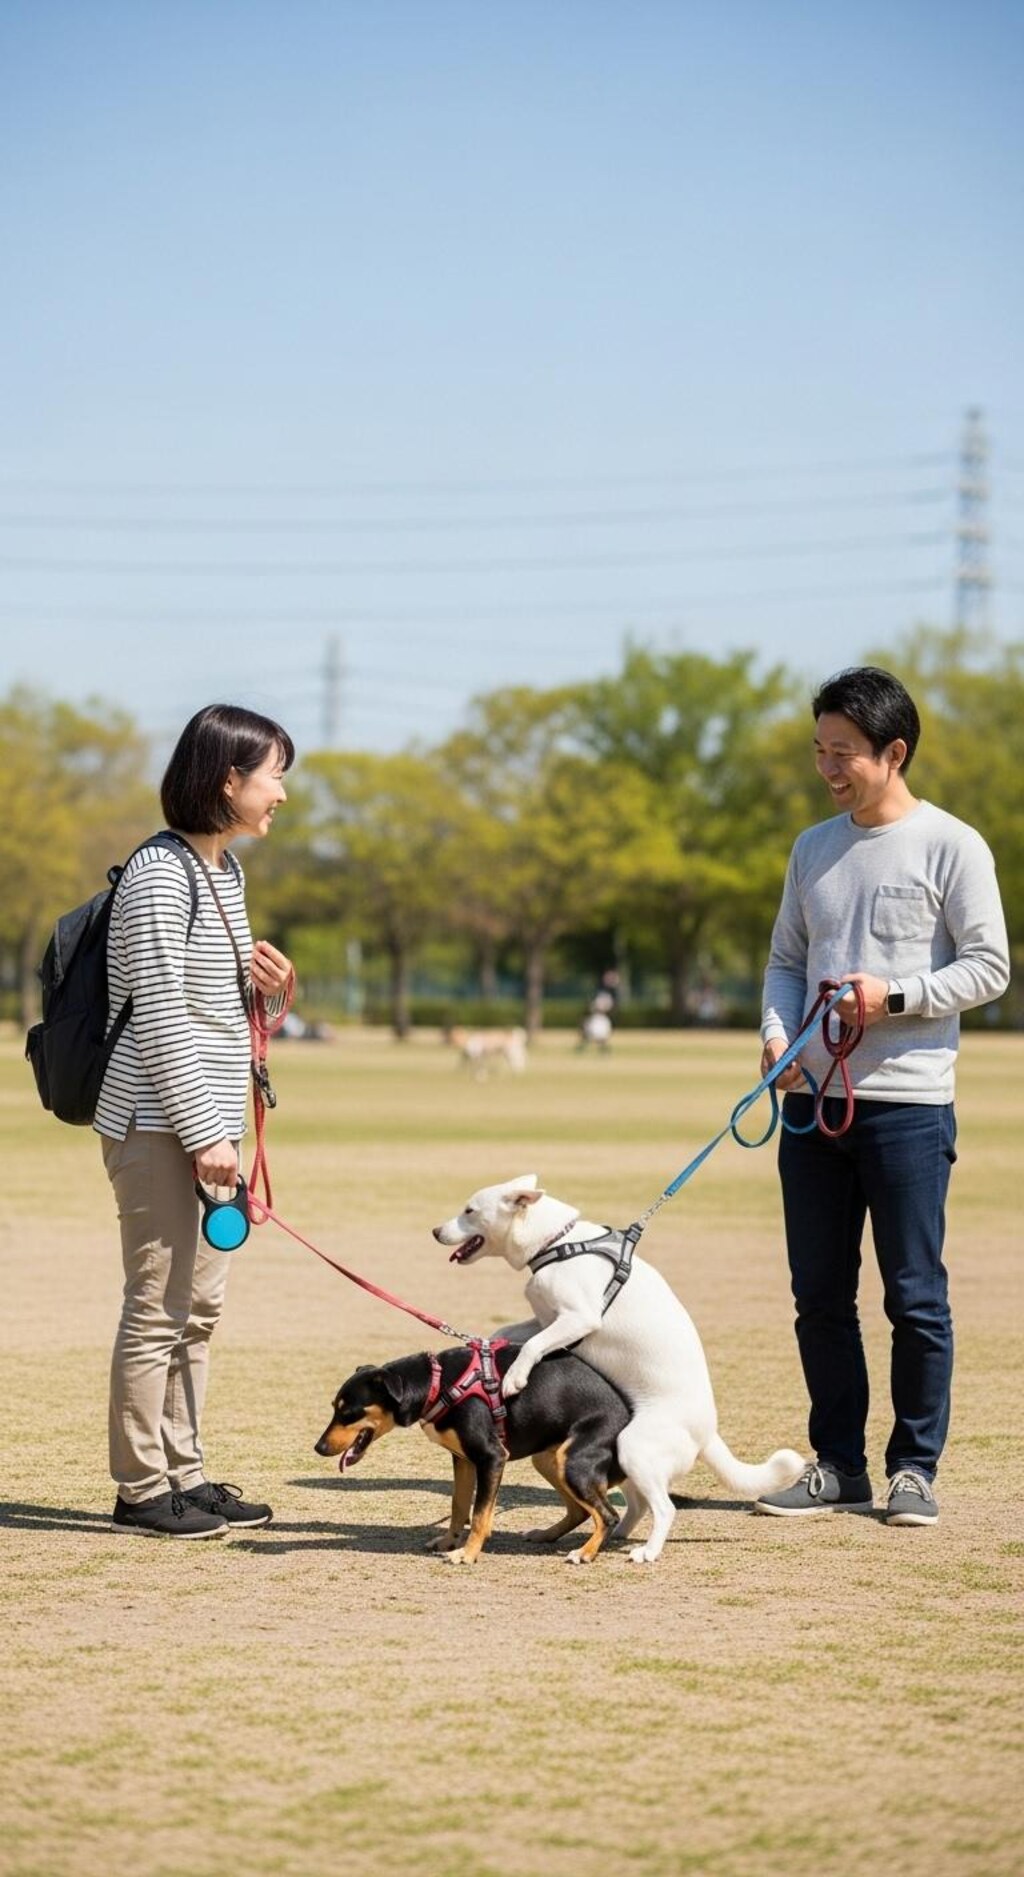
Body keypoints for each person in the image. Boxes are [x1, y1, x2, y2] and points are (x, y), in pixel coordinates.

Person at [755, 667, 1009, 1527]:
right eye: (820, 750)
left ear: (893, 752)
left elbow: (989, 966)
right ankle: (837, 1464)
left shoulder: (953, 844)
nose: (829, 767)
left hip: (907, 1105)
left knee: (914, 1295)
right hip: (810, 1106)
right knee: (819, 1294)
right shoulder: (811, 846)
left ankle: (914, 1470)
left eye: (846, 753)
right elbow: (787, 960)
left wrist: (892, 998)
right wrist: (774, 1036)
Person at [95, 704, 295, 1538]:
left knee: (200, 1309)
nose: (281, 792)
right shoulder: (158, 873)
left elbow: (215, 1010)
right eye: (273, 773)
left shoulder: (225, 874)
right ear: (227, 779)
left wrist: (271, 992)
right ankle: (141, 1488)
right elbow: (163, 1020)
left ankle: (187, 1473)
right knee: (158, 1302)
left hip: (214, 1124)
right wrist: (207, 1134)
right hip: (156, 1121)